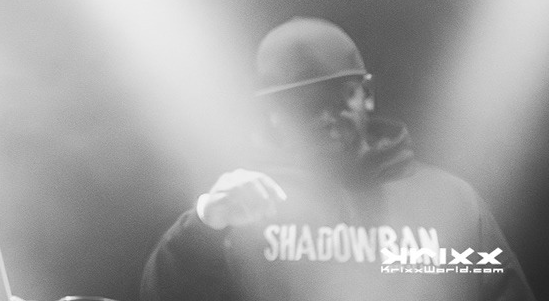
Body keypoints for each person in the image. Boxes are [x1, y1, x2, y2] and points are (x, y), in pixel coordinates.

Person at [141, 17, 534, 301]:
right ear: (273, 116)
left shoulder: (451, 203)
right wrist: (205, 226)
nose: (325, 117)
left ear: (366, 94)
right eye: (302, 105)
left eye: (337, 96)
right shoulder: (242, 208)